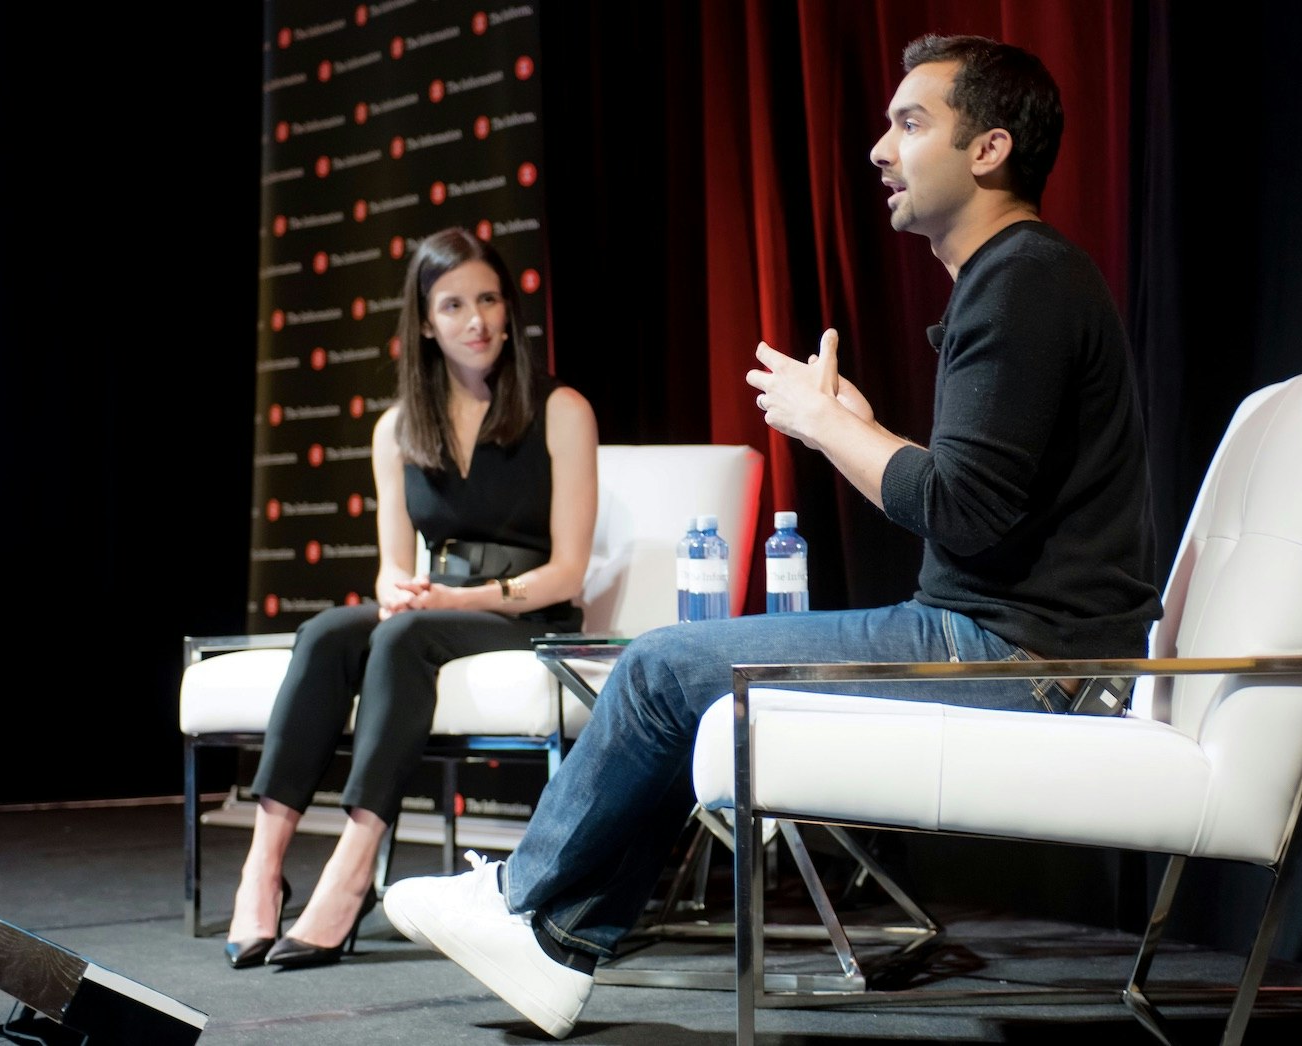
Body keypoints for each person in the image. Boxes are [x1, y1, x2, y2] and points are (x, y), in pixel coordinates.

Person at [382, 33, 1158, 1037]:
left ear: (989, 150)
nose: (881, 149)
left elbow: (961, 512)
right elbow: (985, 501)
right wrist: (864, 429)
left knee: (662, 669)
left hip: (1018, 652)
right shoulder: (1022, 278)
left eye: (910, 124)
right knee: (676, 677)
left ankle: (525, 902)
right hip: (1009, 636)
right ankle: (560, 940)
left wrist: (829, 424)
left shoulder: (1022, 279)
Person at [223, 227, 599, 970]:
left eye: (488, 299)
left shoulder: (561, 409)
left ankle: (353, 866)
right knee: (330, 632)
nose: (476, 321)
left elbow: (568, 574)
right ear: (425, 322)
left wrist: (455, 604)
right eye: (454, 305)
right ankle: (262, 866)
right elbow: (392, 571)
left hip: (527, 613)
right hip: (440, 606)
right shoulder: (396, 428)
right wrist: (402, 589)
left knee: (402, 638)